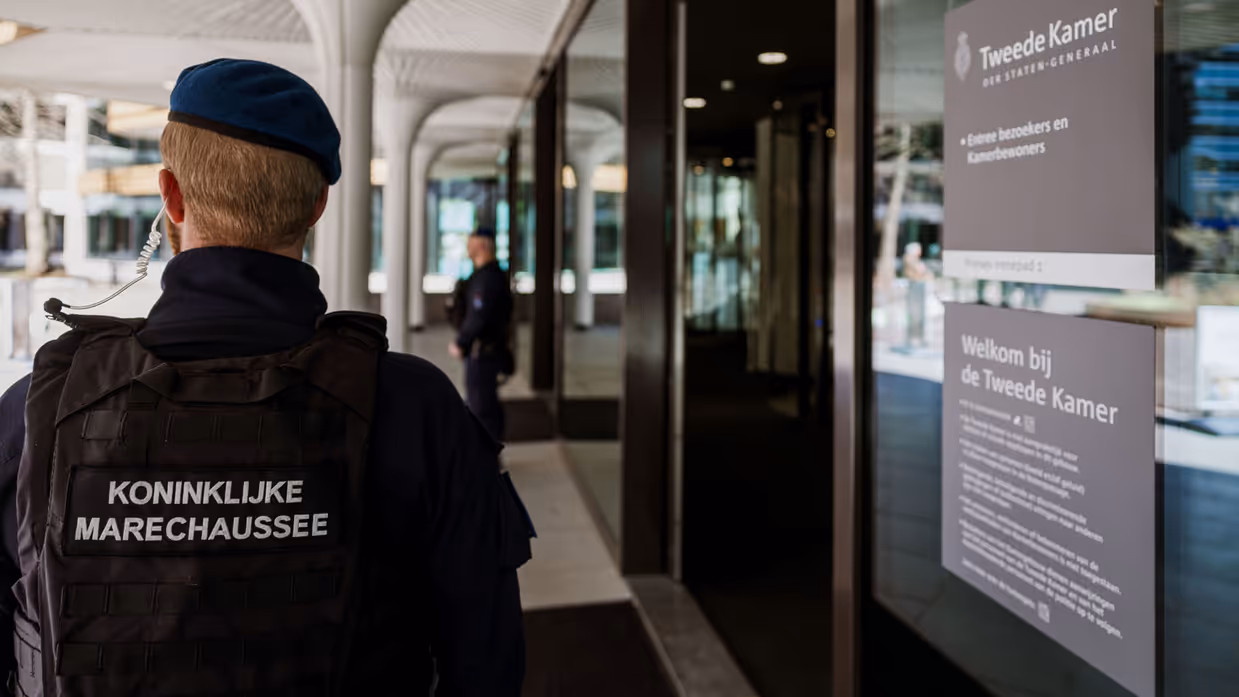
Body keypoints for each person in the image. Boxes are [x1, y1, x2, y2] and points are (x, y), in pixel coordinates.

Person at [0, 58, 531, 696]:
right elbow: (487, 663)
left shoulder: (34, 412)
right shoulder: (418, 410)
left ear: (170, 196)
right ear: (317, 205)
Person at [450, 228, 514, 442]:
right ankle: (490, 455)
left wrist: (461, 342)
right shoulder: (486, 276)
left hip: (484, 353)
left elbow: (479, 316)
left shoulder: (487, 279)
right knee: (485, 404)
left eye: (471, 243)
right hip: (487, 352)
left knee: (481, 408)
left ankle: (487, 460)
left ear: (482, 246)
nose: (468, 247)